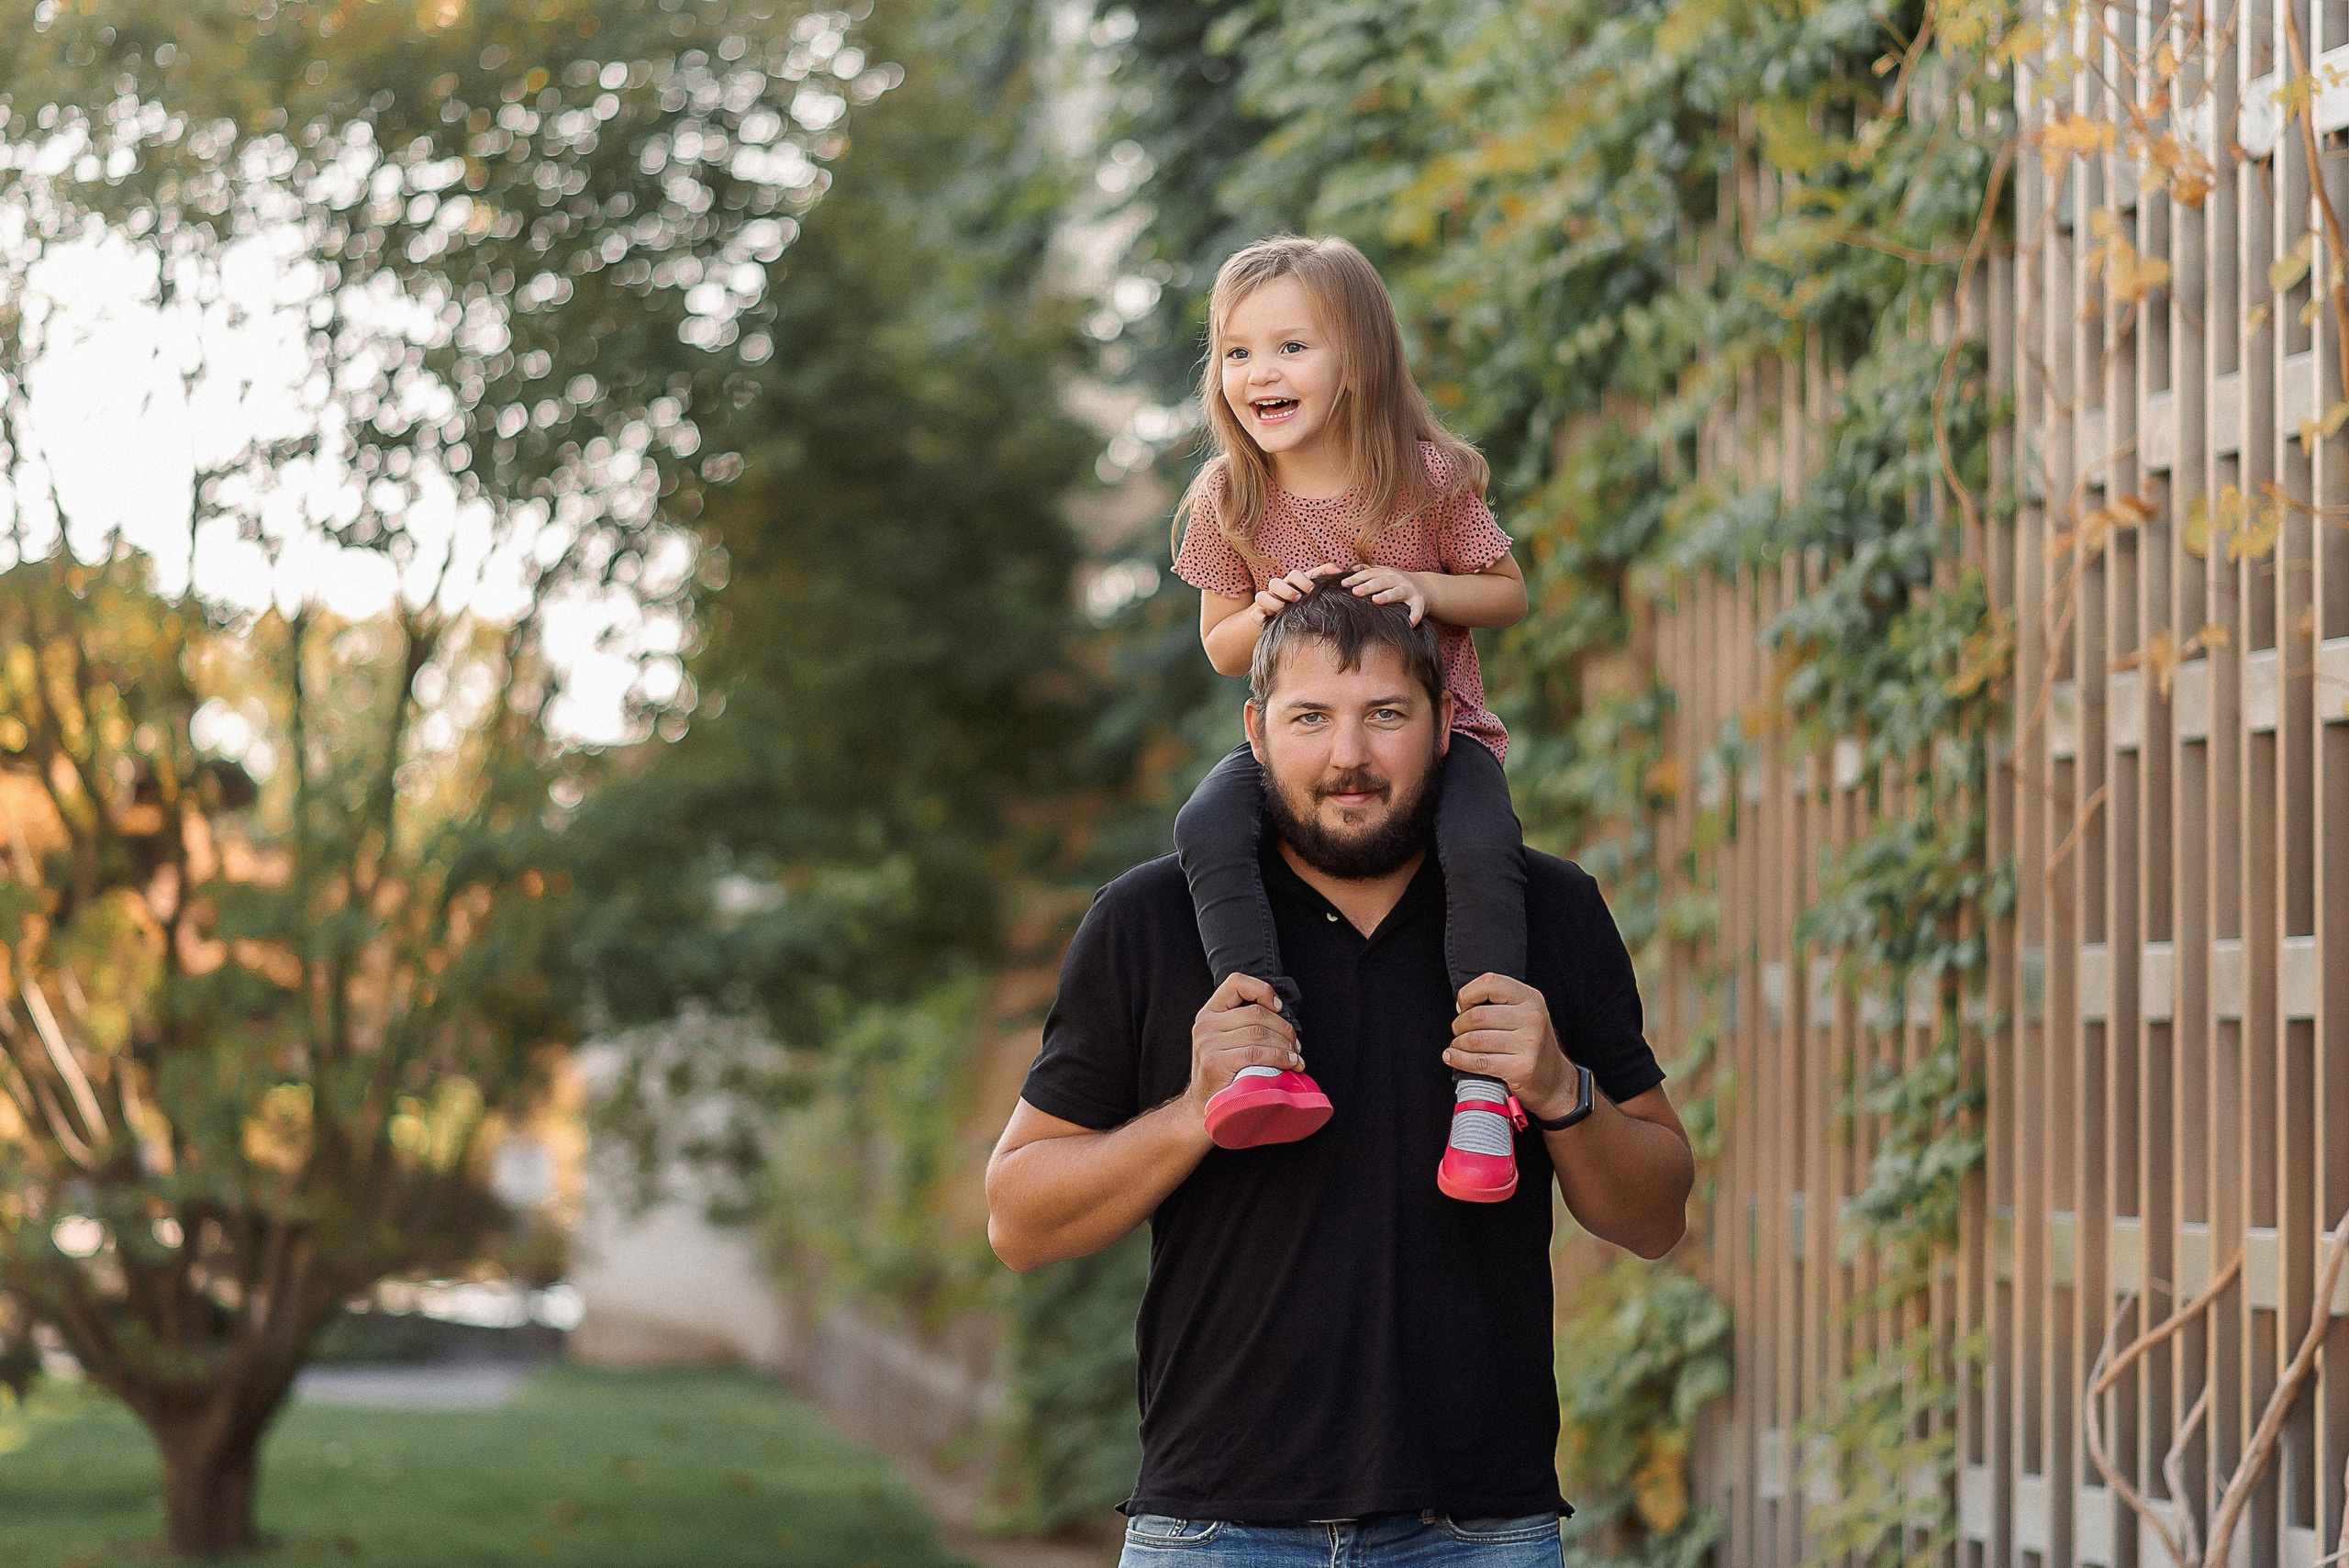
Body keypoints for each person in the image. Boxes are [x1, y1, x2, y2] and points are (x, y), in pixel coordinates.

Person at [985, 581, 1696, 1564]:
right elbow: (1018, 1219)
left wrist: (1561, 1090)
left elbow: (1656, 1215)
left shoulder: (1549, 909)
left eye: (1386, 715)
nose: (1348, 756)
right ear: (1256, 729)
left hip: (1477, 1529)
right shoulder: (1148, 919)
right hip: (1216, 1526)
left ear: (1448, 722)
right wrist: (1196, 1110)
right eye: (1309, 717)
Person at [1167, 234, 1534, 1202]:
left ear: (1357, 362)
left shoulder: (1427, 478)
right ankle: (1264, 1046)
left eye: (1291, 346)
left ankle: (1487, 1087)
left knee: (1484, 846)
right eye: (1237, 351)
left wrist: (1421, 583)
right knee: (1206, 822)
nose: (1259, 373)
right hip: (1300, 751)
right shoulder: (1229, 494)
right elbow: (1220, 644)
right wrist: (1264, 607)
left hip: (1439, 739)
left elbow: (1506, 596)